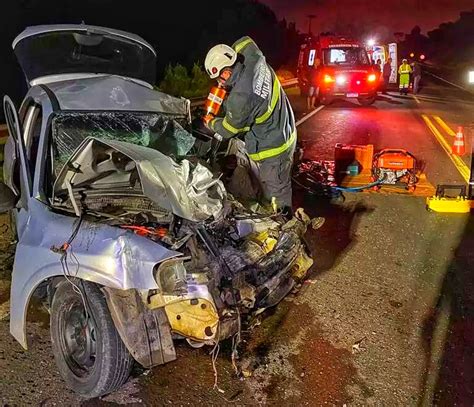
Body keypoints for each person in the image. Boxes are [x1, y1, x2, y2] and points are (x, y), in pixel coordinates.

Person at [201, 37, 297, 215]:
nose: (219, 83)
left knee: (276, 198)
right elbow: (244, 41)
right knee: (257, 182)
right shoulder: (253, 55)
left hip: (274, 148)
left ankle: (285, 229)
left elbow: (228, 129)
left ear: (227, 73)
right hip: (284, 125)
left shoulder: (240, 98)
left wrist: (211, 122)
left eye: (219, 79)